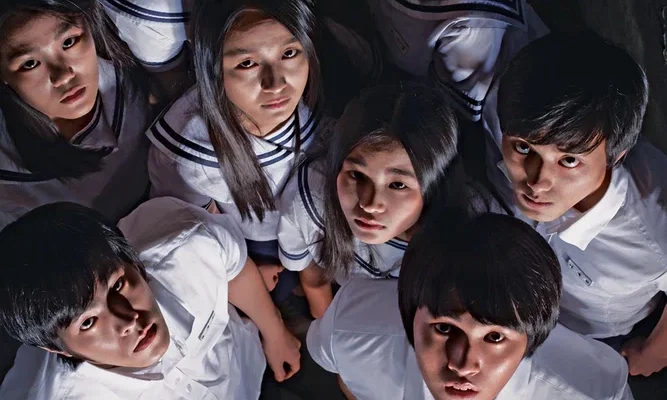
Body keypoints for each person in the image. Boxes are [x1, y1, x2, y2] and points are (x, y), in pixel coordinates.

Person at [307, 211, 634, 399]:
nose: (463, 365)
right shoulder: (350, 331)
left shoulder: (591, 391)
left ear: (532, 341)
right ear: (408, 316)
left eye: (494, 337)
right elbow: (347, 377)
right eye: (444, 328)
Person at [490, 31, 667, 377]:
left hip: (597, 337)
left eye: (569, 161)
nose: (537, 182)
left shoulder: (655, 230)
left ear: (617, 156)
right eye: (524, 148)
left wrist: (653, 352)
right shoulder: (515, 111)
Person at [0, 197, 301, 399]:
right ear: (56, 349)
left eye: (118, 286)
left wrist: (275, 334)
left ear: (134, 263)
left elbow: (233, 265)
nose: (129, 320)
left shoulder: (186, 241)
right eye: (88, 322)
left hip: (247, 365)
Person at [146, 0, 326, 297]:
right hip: (251, 240)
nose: (275, 83)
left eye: (289, 53)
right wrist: (246, 267)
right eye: (247, 64)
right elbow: (196, 229)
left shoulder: (320, 103)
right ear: (213, 69)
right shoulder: (190, 153)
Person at [278, 84, 482, 319]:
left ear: (435, 186)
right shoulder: (310, 201)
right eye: (357, 175)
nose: (370, 203)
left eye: (398, 185)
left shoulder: (468, 236)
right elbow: (314, 281)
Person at [0, 0, 152, 228]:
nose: (63, 76)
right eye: (30, 63)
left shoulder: (140, 70)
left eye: (69, 42)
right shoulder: (7, 172)